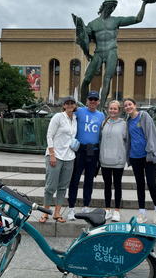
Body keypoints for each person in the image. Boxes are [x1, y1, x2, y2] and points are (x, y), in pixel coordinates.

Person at [72, 0, 156, 109]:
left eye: (114, 7)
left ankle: (101, 108)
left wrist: (144, 3)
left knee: (107, 79)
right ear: (104, 6)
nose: (112, 9)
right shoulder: (92, 24)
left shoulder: (116, 20)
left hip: (111, 51)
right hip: (98, 52)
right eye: (110, 6)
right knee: (86, 80)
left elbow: (138, 19)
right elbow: (85, 40)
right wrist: (85, 35)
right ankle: (82, 108)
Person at [123, 98, 156, 225]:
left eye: (130, 104)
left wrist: (150, 151)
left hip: (148, 156)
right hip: (135, 157)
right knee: (140, 185)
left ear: (135, 105)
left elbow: (152, 134)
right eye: (125, 106)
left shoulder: (144, 116)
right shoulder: (128, 121)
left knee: (151, 184)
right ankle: (142, 213)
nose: (128, 107)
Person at [67, 91, 105, 220]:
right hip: (80, 151)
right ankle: (71, 207)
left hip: (93, 151)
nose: (93, 101)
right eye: (91, 99)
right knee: (74, 180)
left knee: (89, 180)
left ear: (99, 101)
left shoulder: (101, 115)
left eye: (95, 99)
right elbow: (67, 118)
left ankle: (86, 206)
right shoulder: (80, 112)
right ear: (87, 100)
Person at [39, 96, 78, 224]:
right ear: (64, 105)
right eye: (68, 103)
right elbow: (49, 135)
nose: (70, 105)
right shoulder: (58, 117)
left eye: (72, 103)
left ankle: (57, 213)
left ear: (75, 105)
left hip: (69, 156)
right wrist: (52, 154)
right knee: (50, 185)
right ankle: (45, 212)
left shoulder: (75, 119)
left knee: (62, 187)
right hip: (55, 155)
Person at [99, 100, 127, 222]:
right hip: (105, 160)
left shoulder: (124, 124)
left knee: (117, 185)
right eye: (111, 108)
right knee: (107, 185)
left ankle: (116, 211)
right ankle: (107, 210)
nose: (112, 111)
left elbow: (127, 141)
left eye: (115, 109)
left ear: (119, 111)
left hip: (118, 160)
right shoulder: (103, 123)